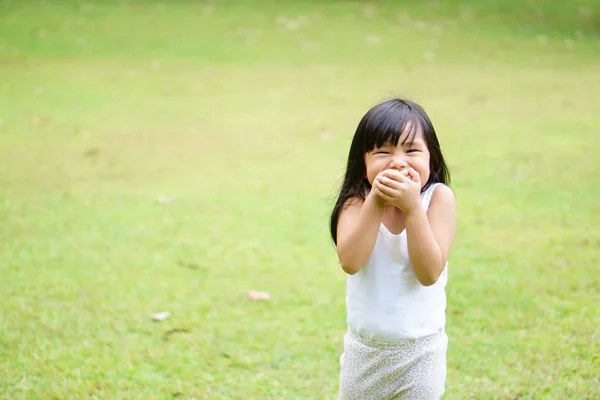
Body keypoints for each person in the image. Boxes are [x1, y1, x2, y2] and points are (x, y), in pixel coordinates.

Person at [330, 98, 456, 399]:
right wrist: (375, 199)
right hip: (365, 352)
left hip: (422, 353)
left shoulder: (438, 200)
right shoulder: (355, 203)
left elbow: (428, 274)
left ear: (432, 161)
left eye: (411, 150)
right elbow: (350, 261)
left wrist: (413, 209)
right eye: (383, 152)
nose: (398, 162)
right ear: (363, 165)